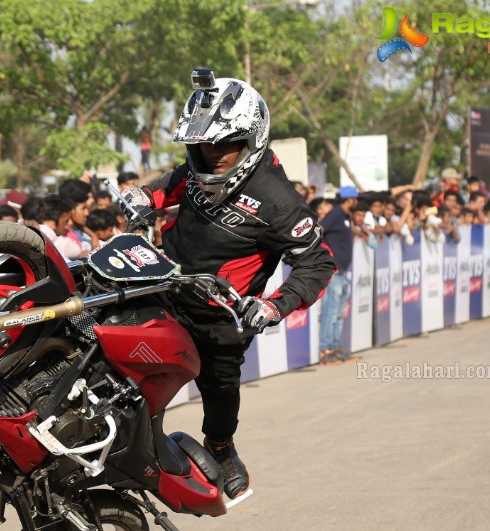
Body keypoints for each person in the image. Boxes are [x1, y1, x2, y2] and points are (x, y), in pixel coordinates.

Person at [122, 69, 335, 500]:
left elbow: (318, 262)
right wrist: (147, 197)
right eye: (202, 144)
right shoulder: (197, 167)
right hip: (165, 286)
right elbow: (177, 180)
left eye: (223, 144)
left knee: (219, 389)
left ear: (252, 139)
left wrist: (274, 306)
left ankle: (222, 449)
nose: (210, 154)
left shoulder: (279, 201)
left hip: (220, 316)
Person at [318, 187, 360, 366]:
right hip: (334, 272)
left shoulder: (344, 216)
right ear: (349, 199)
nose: (357, 202)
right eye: (355, 198)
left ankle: (335, 348)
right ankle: (325, 351)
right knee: (330, 312)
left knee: (338, 314)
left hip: (343, 271)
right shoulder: (335, 213)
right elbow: (319, 229)